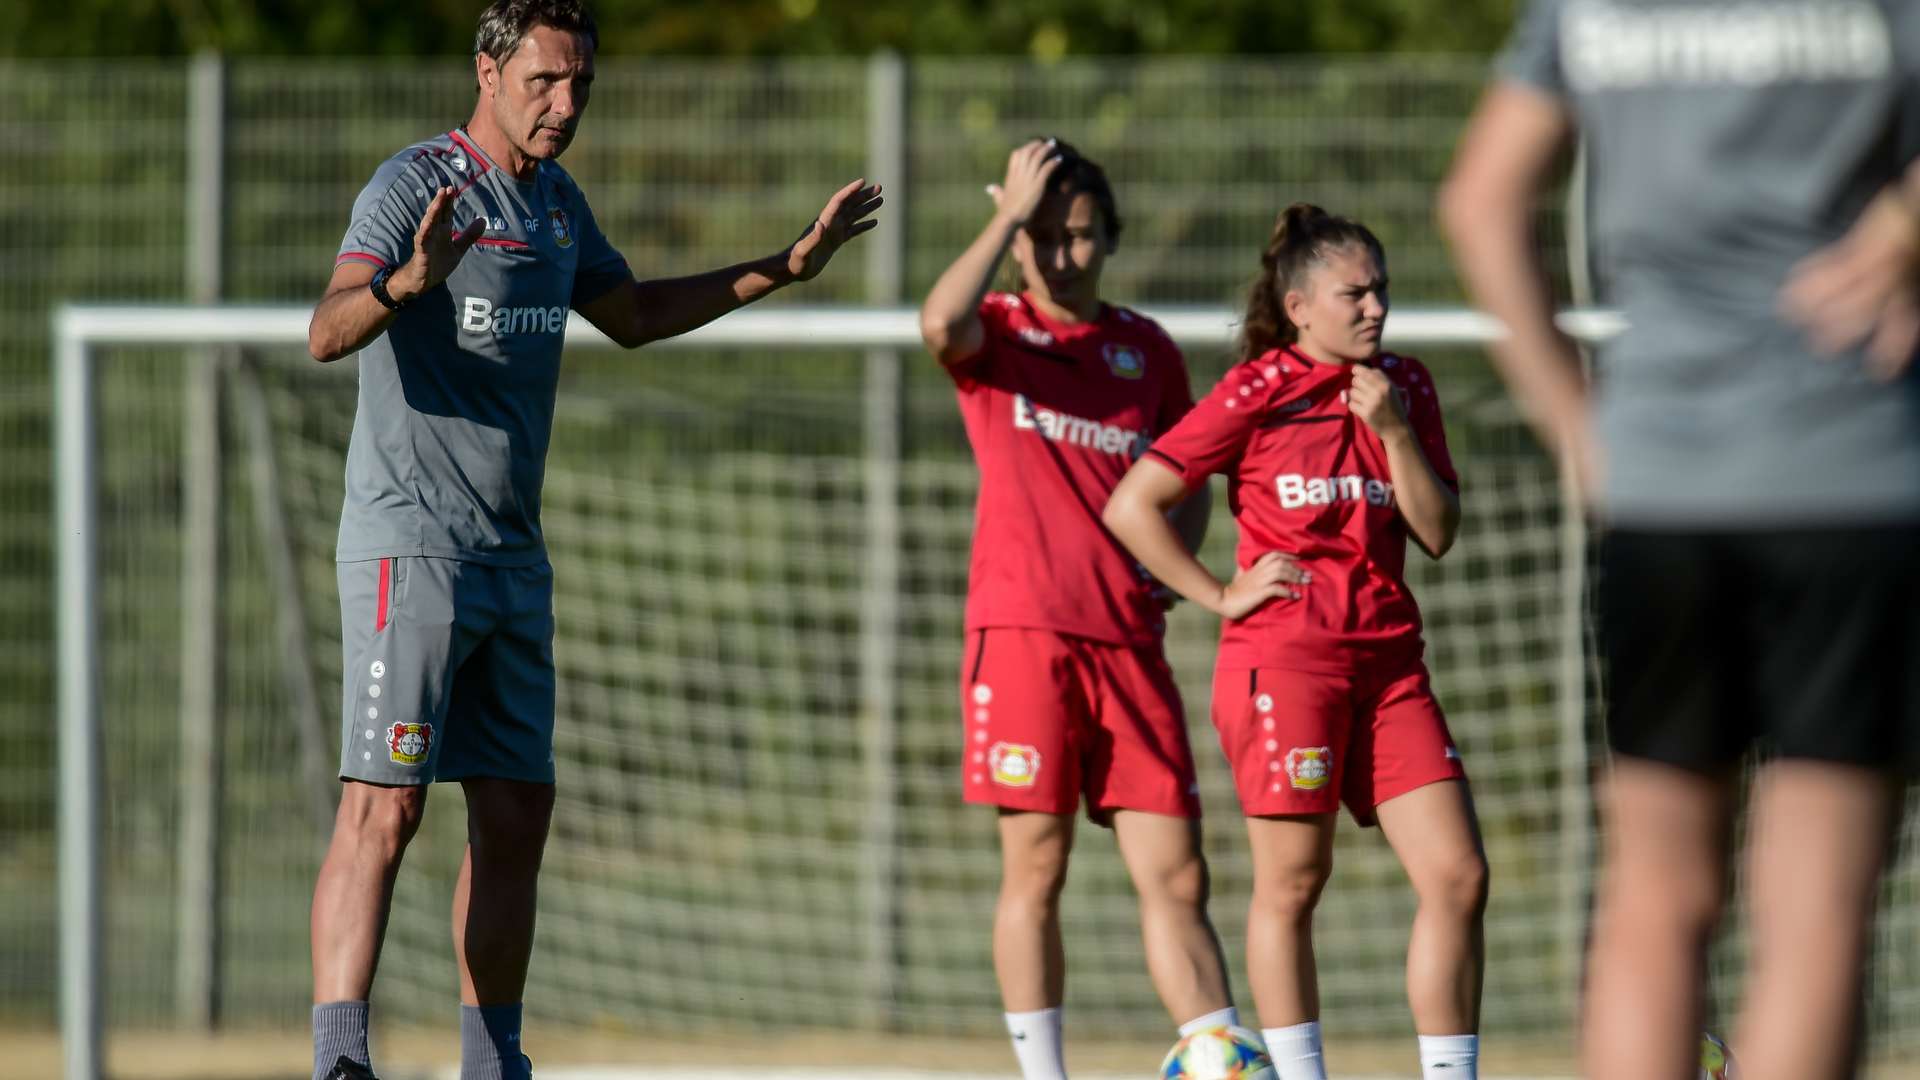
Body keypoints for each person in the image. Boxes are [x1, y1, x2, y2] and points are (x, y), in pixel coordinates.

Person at [303, 2, 881, 1077]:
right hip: (411, 550)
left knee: (518, 810)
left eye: (582, 86)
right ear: (488, 71)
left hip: (513, 561)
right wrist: (404, 283)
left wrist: (787, 266)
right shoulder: (414, 184)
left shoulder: (557, 203)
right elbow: (326, 330)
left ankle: (495, 1062)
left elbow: (636, 314)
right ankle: (340, 1060)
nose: (566, 105)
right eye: (545, 81)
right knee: (386, 805)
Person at [1438, 3, 1920, 1078]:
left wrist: (1579, 430)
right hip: (1846, 472)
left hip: (1661, 487)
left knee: (1653, 891)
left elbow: (1479, 200)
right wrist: (1899, 230)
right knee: (1817, 901)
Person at [1104, 205, 1488, 1080]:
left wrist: (1394, 431)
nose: (1376, 308)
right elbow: (1133, 504)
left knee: (1459, 875)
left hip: (1391, 670)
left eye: (1381, 290)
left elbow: (1438, 533)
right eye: (1355, 293)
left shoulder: (1405, 386)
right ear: (1300, 305)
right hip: (1285, 667)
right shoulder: (1257, 390)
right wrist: (1219, 594)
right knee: (1294, 881)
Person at [918, 137, 1239, 1080]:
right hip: (1025, 636)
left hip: (1129, 644)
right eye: (1045, 236)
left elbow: (1189, 477)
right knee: (1037, 867)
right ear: (1020, 239)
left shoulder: (1148, 352)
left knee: (1179, 874)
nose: (1063, 255)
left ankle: (1220, 1057)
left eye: (1082, 235)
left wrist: (1172, 568)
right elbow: (939, 321)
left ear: (1111, 240)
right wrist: (1006, 216)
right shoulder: (998, 333)